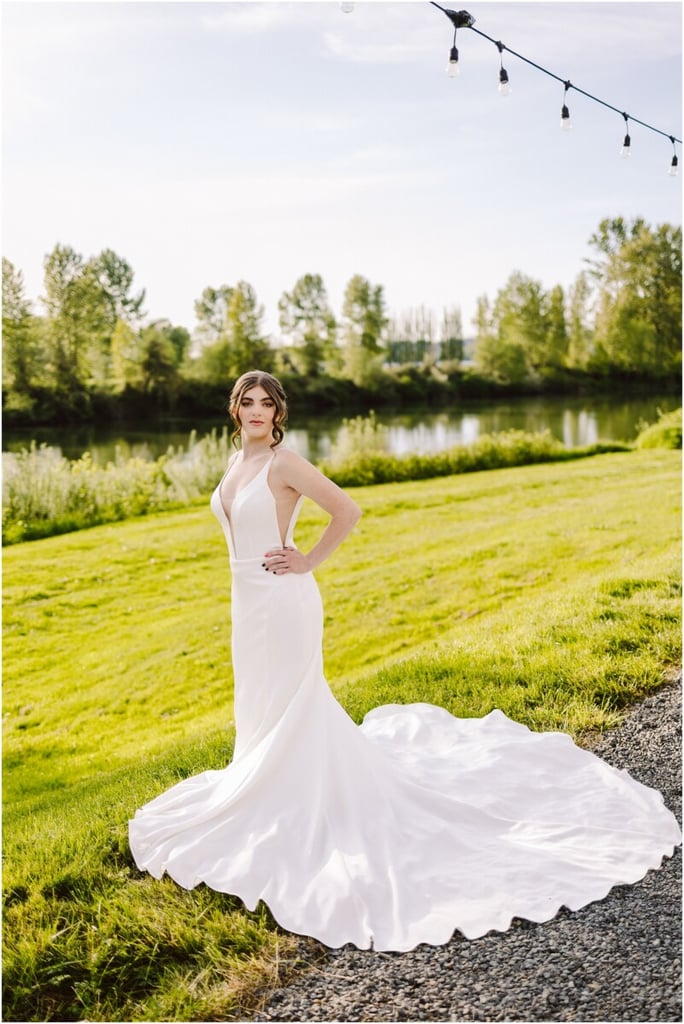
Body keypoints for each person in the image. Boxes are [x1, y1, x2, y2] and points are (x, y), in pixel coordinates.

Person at [129, 370, 681, 952]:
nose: (258, 411)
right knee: (259, 703)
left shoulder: (284, 464)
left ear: (279, 412)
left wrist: (309, 560)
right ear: (234, 410)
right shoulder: (236, 462)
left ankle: (289, 797)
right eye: (248, 402)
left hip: (283, 601)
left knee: (293, 704)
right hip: (248, 603)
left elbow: (346, 511)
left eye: (267, 402)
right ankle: (258, 780)